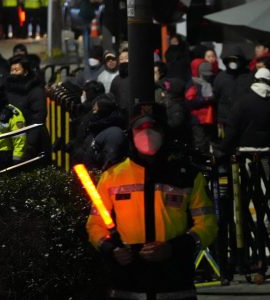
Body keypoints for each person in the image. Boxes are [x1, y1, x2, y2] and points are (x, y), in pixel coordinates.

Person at [86, 111, 218, 300]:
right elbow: (94, 224)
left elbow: (208, 225)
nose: (147, 135)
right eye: (140, 128)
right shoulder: (112, 176)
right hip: (129, 283)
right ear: (131, 135)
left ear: (165, 133)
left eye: (153, 128)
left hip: (175, 283)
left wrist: (174, 248)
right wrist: (112, 249)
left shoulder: (187, 175)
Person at [216, 68, 270, 156]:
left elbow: (233, 128)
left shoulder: (242, 102)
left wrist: (223, 147)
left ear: (254, 80)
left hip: (246, 150)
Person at [5, 55, 48, 159]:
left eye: (17, 70)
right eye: (12, 70)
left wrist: (30, 146)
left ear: (25, 72)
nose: (13, 73)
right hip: (12, 141)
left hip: (32, 143)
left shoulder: (35, 91)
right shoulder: (7, 89)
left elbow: (38, 118)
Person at [185, 59, 216, 154]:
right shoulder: (192, 84)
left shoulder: (210, 82)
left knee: (210, 142)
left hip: (210, 118)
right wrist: (205, 99)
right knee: (201, 144)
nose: (207, 75)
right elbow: (189, 102)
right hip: (198, 119)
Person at [109, 48, 130, 123]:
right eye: (121, 59)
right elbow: (112, 97)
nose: (124, 61)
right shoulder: (116, 79)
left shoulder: (138, 76)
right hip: (121, 117)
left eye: (127, 58)